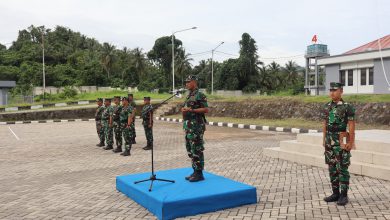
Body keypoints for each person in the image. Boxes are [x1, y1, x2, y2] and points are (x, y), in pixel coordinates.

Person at [321, 82, 356, 206]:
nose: (332, 92)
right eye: (330, 90)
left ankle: (344, 195)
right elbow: (325, 123)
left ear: (341, 91)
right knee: (332, 167)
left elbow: (351, 125)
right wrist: (324, 139)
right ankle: (335, 193)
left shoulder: (347, 107)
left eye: (334, 90)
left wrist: (351, 142)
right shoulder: (326, 106)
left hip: (341, 140)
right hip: (329, 141)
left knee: (342, 168)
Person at [181, 75, 209, 182]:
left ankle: (199, 173)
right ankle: (194, 171)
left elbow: (206, 109)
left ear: (194, 82)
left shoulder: (200, 95)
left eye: (188, 82)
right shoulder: (189, 96)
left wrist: (192, 110)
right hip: (188, 126)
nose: (186, 84)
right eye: (186, 82)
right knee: (190, 149)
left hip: (196, 126)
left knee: (197, 149)